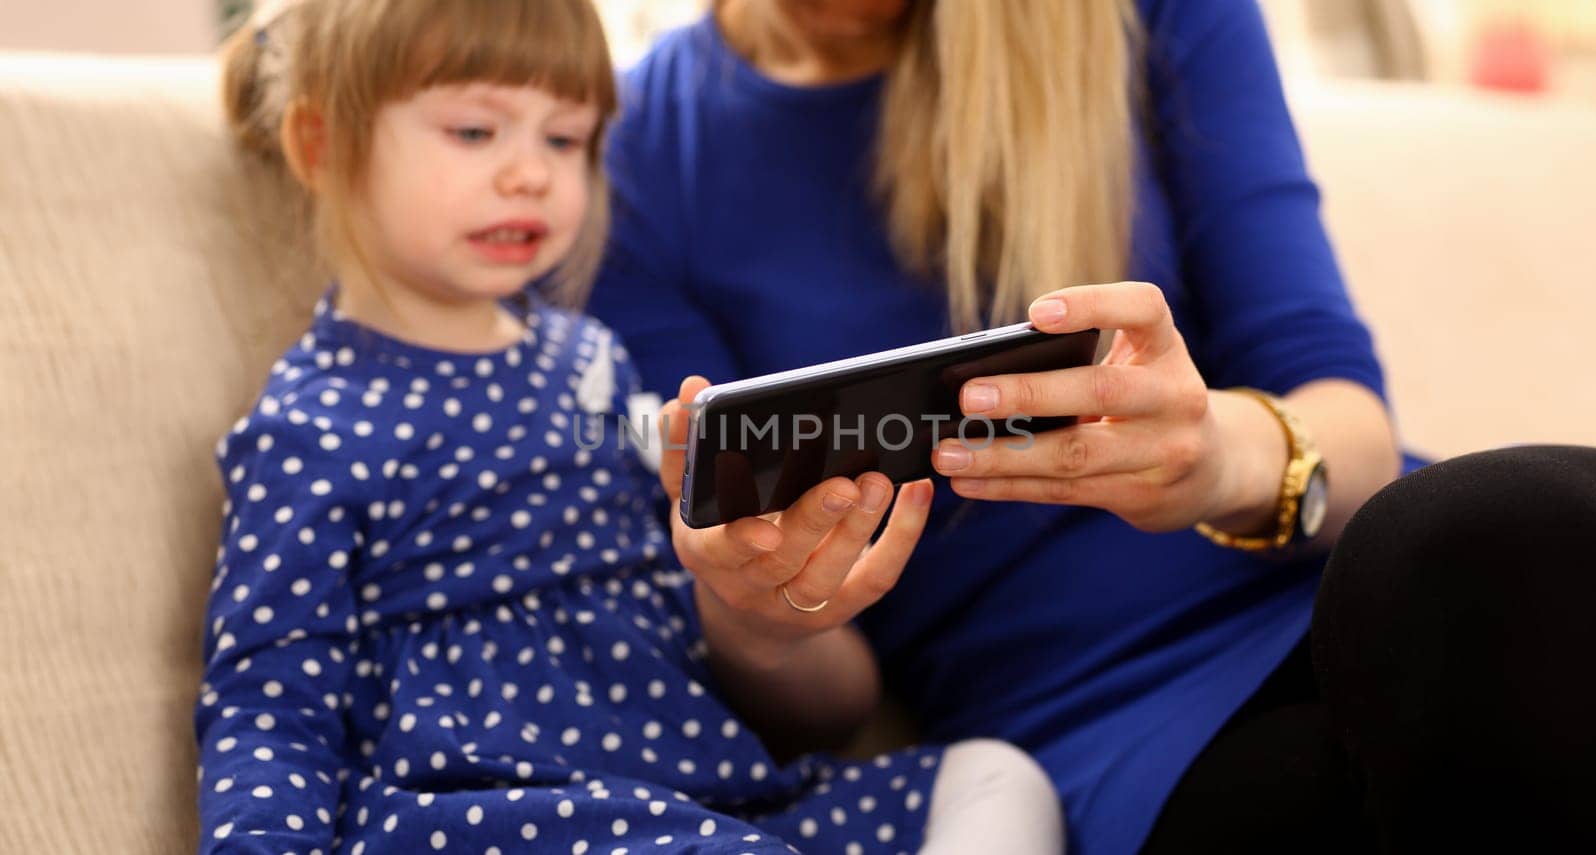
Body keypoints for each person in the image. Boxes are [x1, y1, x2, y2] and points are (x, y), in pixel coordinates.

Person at [586, 0, 1594, 852]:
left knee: (1498, 530)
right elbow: (830, 701)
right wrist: (757, 613)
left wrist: (1211, 464)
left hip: (1369, 587)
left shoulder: (1146, 16)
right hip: (1101, 730)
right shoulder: (625, 162)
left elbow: (1356, 439)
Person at [193, 1, 1064, 852]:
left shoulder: (593, 358)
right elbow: (269, 703)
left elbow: (676, 570)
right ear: (323, 146)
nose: (531, 173)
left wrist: (740, 534)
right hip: (498, 805)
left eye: (565, 138)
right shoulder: (311, 426)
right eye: (474, 132)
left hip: (702, 785)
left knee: (995, 775)